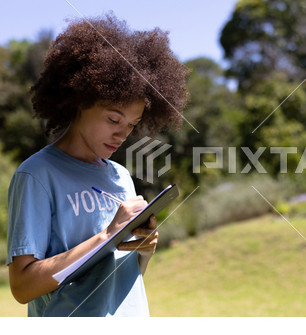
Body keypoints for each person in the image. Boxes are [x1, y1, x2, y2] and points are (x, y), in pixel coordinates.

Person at [6, 14, 189, 317]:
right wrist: (106, 236)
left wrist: (144, 249)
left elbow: (123, 282)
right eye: (113, 119)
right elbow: (22, 287)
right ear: (81, 100)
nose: (122, 134)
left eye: (132, 124)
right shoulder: (36, 175)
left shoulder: (121, 177)